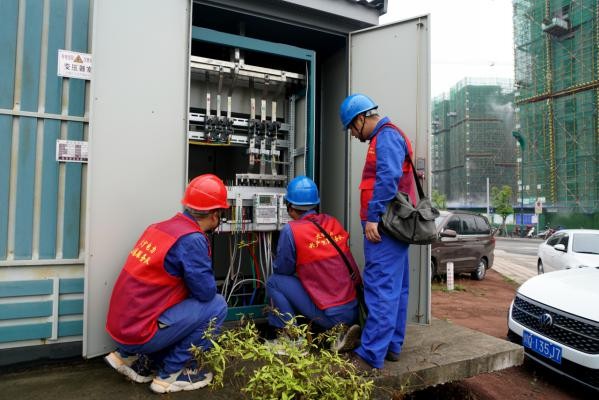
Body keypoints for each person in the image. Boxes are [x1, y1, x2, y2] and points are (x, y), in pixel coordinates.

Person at [104, 174, 229, 393]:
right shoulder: (192, 239)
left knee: (179, 299)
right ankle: (174, 373)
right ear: (215, 214)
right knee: (216, 305)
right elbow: (206, 293)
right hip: (141, 332)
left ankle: (131, 358)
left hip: (123, 327)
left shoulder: (158, 227)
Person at [339, 93, 415, 373]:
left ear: (361, 118)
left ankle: (370, 355)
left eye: (351, 127)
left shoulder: (386, 136)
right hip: (392, 227)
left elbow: (387, 177)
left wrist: (373, 218)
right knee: (396, 288)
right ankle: (392, 345)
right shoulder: (386, 136)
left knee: (380, 288)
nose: (352, 134)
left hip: (383, 228)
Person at [266, 176, 362, 352]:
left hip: (331, 316)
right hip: (353, 310)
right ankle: (341, 333)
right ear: (315, 203)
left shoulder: (291, 230)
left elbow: (283, 269)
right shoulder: (332, 222)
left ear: (289, 206)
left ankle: (291, 339)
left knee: (274, 282)